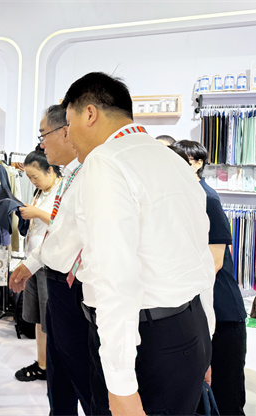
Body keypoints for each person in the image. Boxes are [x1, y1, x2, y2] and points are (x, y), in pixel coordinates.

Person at [63, 72, 215, 415]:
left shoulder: (107, 160)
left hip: (146, 343)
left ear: (90, 114)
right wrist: (207, 340)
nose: (67, 135)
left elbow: (114, 277)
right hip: (189, 330)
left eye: (68, 123)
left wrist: (120, 386)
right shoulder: (173, 161)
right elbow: (201, 257)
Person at [10, 104, 92, 415]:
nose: (42, 144)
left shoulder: (90, 174)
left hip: (77, 288)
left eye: (44, 134)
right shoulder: (70, 176)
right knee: (59, 380)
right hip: (57, 284)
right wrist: (30, 265)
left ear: (66, 131)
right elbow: (59, 232)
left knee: (83, 376)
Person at [173, 139, 247, 416]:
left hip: (222, 310)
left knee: (225, 394)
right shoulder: (182, 197)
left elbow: (215, 262)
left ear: (197, 164)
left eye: (181, 161)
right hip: (199, 307)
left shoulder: (207, 198)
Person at [13, 146, 61, 382]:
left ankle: (53, 366)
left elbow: (64, 223)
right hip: (33, 261)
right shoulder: (41, 191)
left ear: (50, 170)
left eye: (35, 176)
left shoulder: (63, 189)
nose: (32, 181)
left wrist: (36, 213)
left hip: (49, 264)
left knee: (49, 318)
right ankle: (42, 363)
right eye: (29, 177)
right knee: (40, 318)